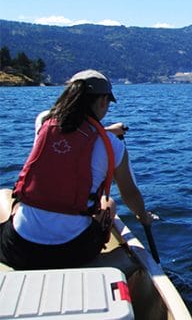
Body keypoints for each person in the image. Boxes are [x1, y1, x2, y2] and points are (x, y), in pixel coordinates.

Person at [0, 69, 156, 270]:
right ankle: (110, 260)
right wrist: (144, 218)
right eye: (107, 102)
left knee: (4, 195)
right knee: (108, 203)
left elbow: (72, 130)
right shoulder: (113, 146)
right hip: (72, 252)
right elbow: (131, 193)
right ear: (102, 101)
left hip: (19, 249)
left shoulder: (43, 125)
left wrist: (107, 130)